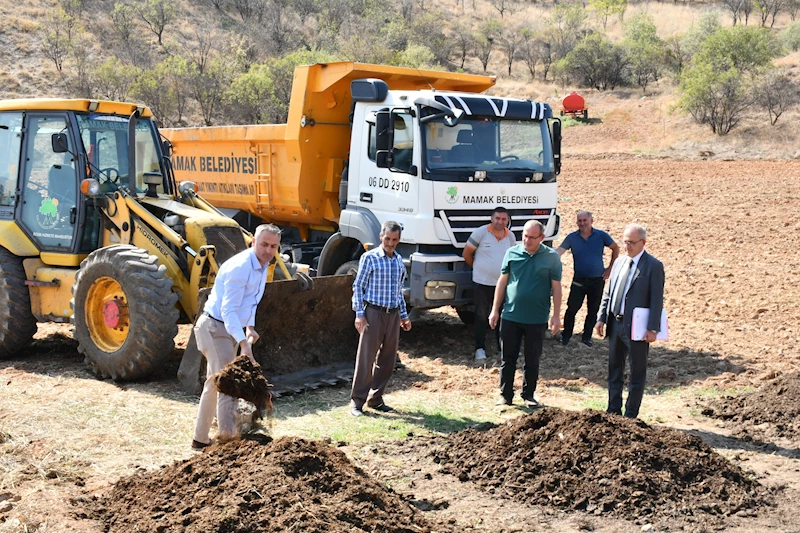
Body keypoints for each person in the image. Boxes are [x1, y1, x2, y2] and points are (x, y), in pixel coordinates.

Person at [192, 224, 281, 449]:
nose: (268, 250)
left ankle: (200, 439)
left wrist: (249, 327)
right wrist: (244, 343)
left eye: (273, 246)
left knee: (214, 384)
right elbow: (228, 310)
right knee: (228, 385)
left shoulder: (262, 266)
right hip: (214, 327)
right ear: (253, 241)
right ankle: (228, 445)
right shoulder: (241, 267)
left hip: (230, 329)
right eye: (264, 244)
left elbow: (250, 302)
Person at [489, 220, 562, 408]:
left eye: (532, 237)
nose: (527, 240)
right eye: (525, 236)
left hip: (537, 318)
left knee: (532, 359)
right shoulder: (512, 253)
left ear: (542, 238)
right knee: (508, 358)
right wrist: (495, 310)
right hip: (511, 315)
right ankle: (505, 395)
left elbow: (556, 287)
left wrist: (556, 315)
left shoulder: (551, 258)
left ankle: (528, 395)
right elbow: (502, 282)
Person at [595, 223, 665, 419]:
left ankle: (631, 414)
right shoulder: (619, 263)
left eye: (632, 243)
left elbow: (656, 300)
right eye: (625, 242)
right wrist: (601, 317)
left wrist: (653, 328)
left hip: (638, 326)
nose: (627, 247)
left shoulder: (653, 266)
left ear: (643, 242)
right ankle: (613, 411)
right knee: (614, 370)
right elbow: (608, 293)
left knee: (637, 372)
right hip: (615, 324)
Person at [350, 221, 412, 416]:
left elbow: (398, 291)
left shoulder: (398, 261)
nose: (390, 243)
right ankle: (357, 402)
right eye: (387, 239)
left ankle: (376, 398)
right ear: (380, 237)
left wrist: (404, 315)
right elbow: (358, 286)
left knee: (387, 359)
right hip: (373, 313)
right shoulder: (370, 258)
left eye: (394, 240)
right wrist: (360, 314)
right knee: (366, 358)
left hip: (392, 315)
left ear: (399, 240)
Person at [556, 211, 619, 347]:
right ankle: (566, 336)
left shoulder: (601, 235)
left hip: (597, 280)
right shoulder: (572, 237)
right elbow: (559, 252)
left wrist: (610, 268)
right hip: (579, 279)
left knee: (593, 310)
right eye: (580, 221)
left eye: (585, 220)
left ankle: (587, 337)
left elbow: (615, 248)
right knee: (571, 308)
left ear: (591, 221)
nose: (582, 223)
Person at [462, 207, 516, 361]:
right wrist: (478, 269)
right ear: (492, 219)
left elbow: (513, 257)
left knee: (503, 316)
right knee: (480, 316)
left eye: (503, 219)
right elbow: (466, 254)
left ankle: (502, 348)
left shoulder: (510, 237)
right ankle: (480, 349)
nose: (500, 222)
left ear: (507, 221)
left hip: (502, 284)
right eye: (497, 218)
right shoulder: (480, 233)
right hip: (482, 283)